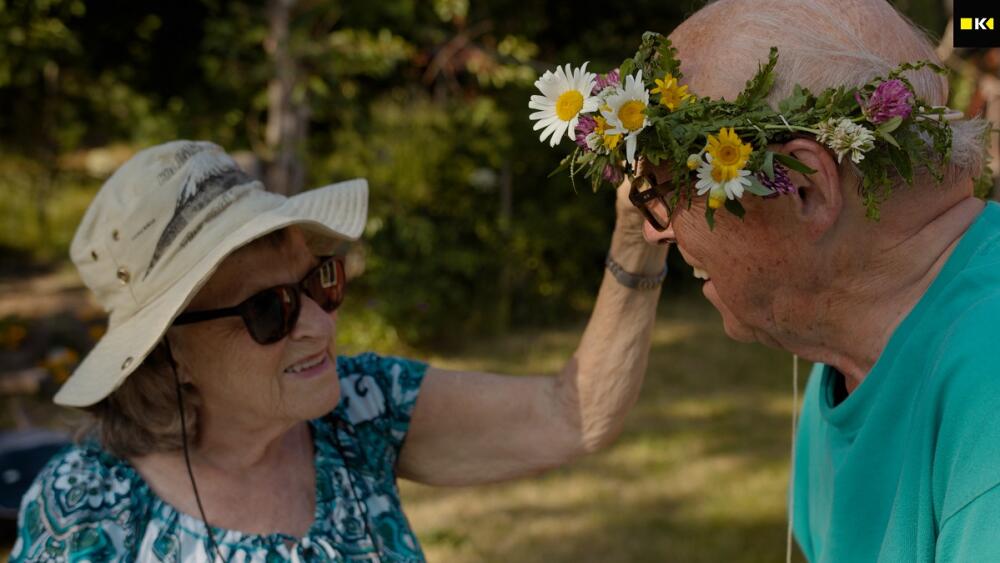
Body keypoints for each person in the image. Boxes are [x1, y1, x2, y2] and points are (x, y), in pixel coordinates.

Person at [11, 140, 668, 561]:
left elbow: (569, 415)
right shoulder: (90, 509)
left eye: (319, 280)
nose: (322, 328)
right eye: (268, 309)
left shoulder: (359, 410)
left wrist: (635, 239)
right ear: (168, 351)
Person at [636, 0, 998, 561]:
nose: (651, 231)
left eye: (664, 192)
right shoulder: (848, 356)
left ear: (804, 188)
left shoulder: (988, 396)